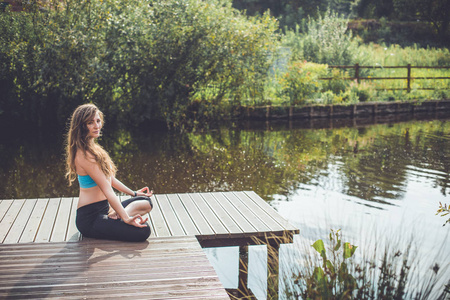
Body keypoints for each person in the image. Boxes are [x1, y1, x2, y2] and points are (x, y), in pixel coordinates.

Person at [65, 103, 153, 242]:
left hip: (105, 209)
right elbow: (107, 189)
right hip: (90, 219)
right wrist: (126, 218)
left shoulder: (94, 149)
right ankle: (118, 216)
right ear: (81, 126)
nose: (96, 126)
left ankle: (116, 215)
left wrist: (134, 193)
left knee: (146, 201)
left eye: (98, 121)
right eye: (90, 122)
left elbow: (109, 178)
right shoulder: (84, 155)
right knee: (144, 231)